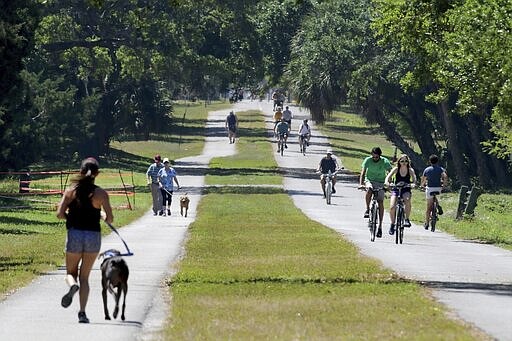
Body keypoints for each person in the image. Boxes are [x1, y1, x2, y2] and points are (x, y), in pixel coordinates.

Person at [56, 157, 113, 324]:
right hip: (93, 236)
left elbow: (59, 214)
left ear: (80, 172)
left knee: (70, 273)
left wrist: (69, 217)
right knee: (85, 277)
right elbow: (110, 219)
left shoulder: (70, 191)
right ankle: (82, 313)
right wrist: (101, 214)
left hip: (74, 234)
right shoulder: (101, 193)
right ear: (97, 174)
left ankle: (72, 286)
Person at [359, 147, 393, 238]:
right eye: (373, 157)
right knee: (369, 189)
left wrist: (389, 183)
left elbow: (390, 172)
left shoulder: (384, 161)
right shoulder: (368, 160)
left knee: (380, 202)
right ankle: (367, 209)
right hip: (369, 180)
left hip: (381, 182)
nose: (374, 159)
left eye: (376, 157)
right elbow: (363, 172)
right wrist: (361, 184)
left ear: (380, 156)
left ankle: (380, 226)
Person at [384, 154, 417, 235]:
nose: (404, 163)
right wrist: (387, 183)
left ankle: (407, 219)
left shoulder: (410, 170)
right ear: (399, 162)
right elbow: (387, 177)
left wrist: (413, 184)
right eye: (402, 161)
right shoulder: (396, 169)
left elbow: (414, 180)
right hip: (396, 188)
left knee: (407, 200)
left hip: (406, 188)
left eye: (406, 161)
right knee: (392, 207)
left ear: (408, 162)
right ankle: (392, 224)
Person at [420, 154, 448, 230]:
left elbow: (424, 180)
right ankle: (438, 206)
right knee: (435, 197)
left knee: (428, 207)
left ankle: (426, 223)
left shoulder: (427, 170)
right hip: (438, 188)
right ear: (437, 161)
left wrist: (422, 185)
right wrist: (444, 185)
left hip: (430, 189)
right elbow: (445, 176)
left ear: (430, 161)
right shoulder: (441, 169)